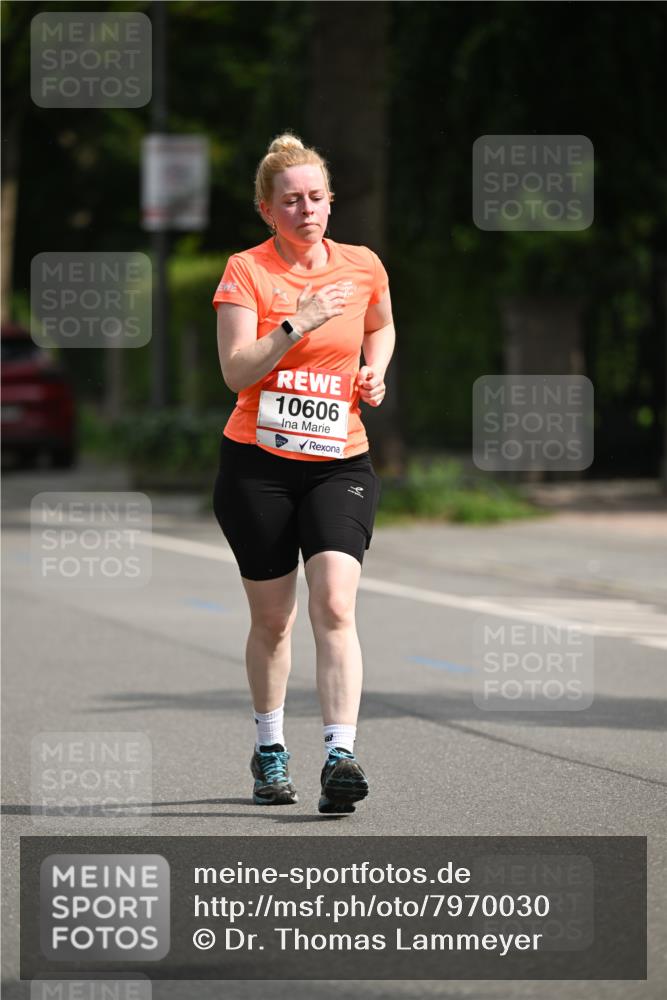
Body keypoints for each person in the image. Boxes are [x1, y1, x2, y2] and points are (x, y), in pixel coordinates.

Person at [211, 132, 395, 814]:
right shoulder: (246, 272)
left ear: (330, 203)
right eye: (291, 200)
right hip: (257, 465)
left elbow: (381, 324)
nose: (307, 210)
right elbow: (235, 370)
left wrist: (374, 369)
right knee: (275, 622)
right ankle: (269, 749)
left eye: (316, 198)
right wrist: (297, 323)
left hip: (338, 461)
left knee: (336, 603)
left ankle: (341, 755)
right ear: (266, 209)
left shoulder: (362, 265)